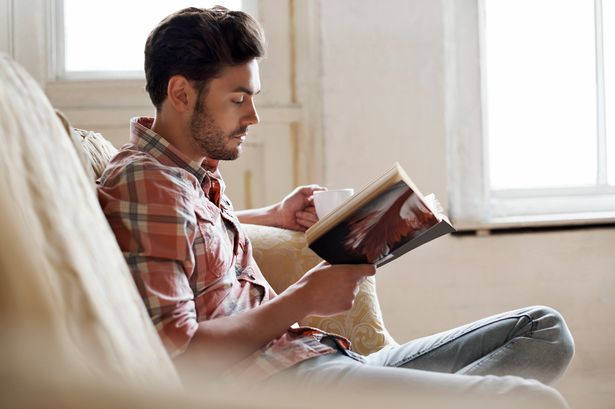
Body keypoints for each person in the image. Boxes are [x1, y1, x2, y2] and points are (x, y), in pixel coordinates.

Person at [97, 6, 574, 408]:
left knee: (543, 329)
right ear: (181, 93)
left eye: (253, 98)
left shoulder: (184, 177)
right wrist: (304, 297)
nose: (253, 116)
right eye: (238, 99)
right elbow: (183, 355)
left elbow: (184, 236)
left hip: (315, 358)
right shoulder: (146, 183)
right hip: (281, 384)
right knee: (533, 399)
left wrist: (269, 216)